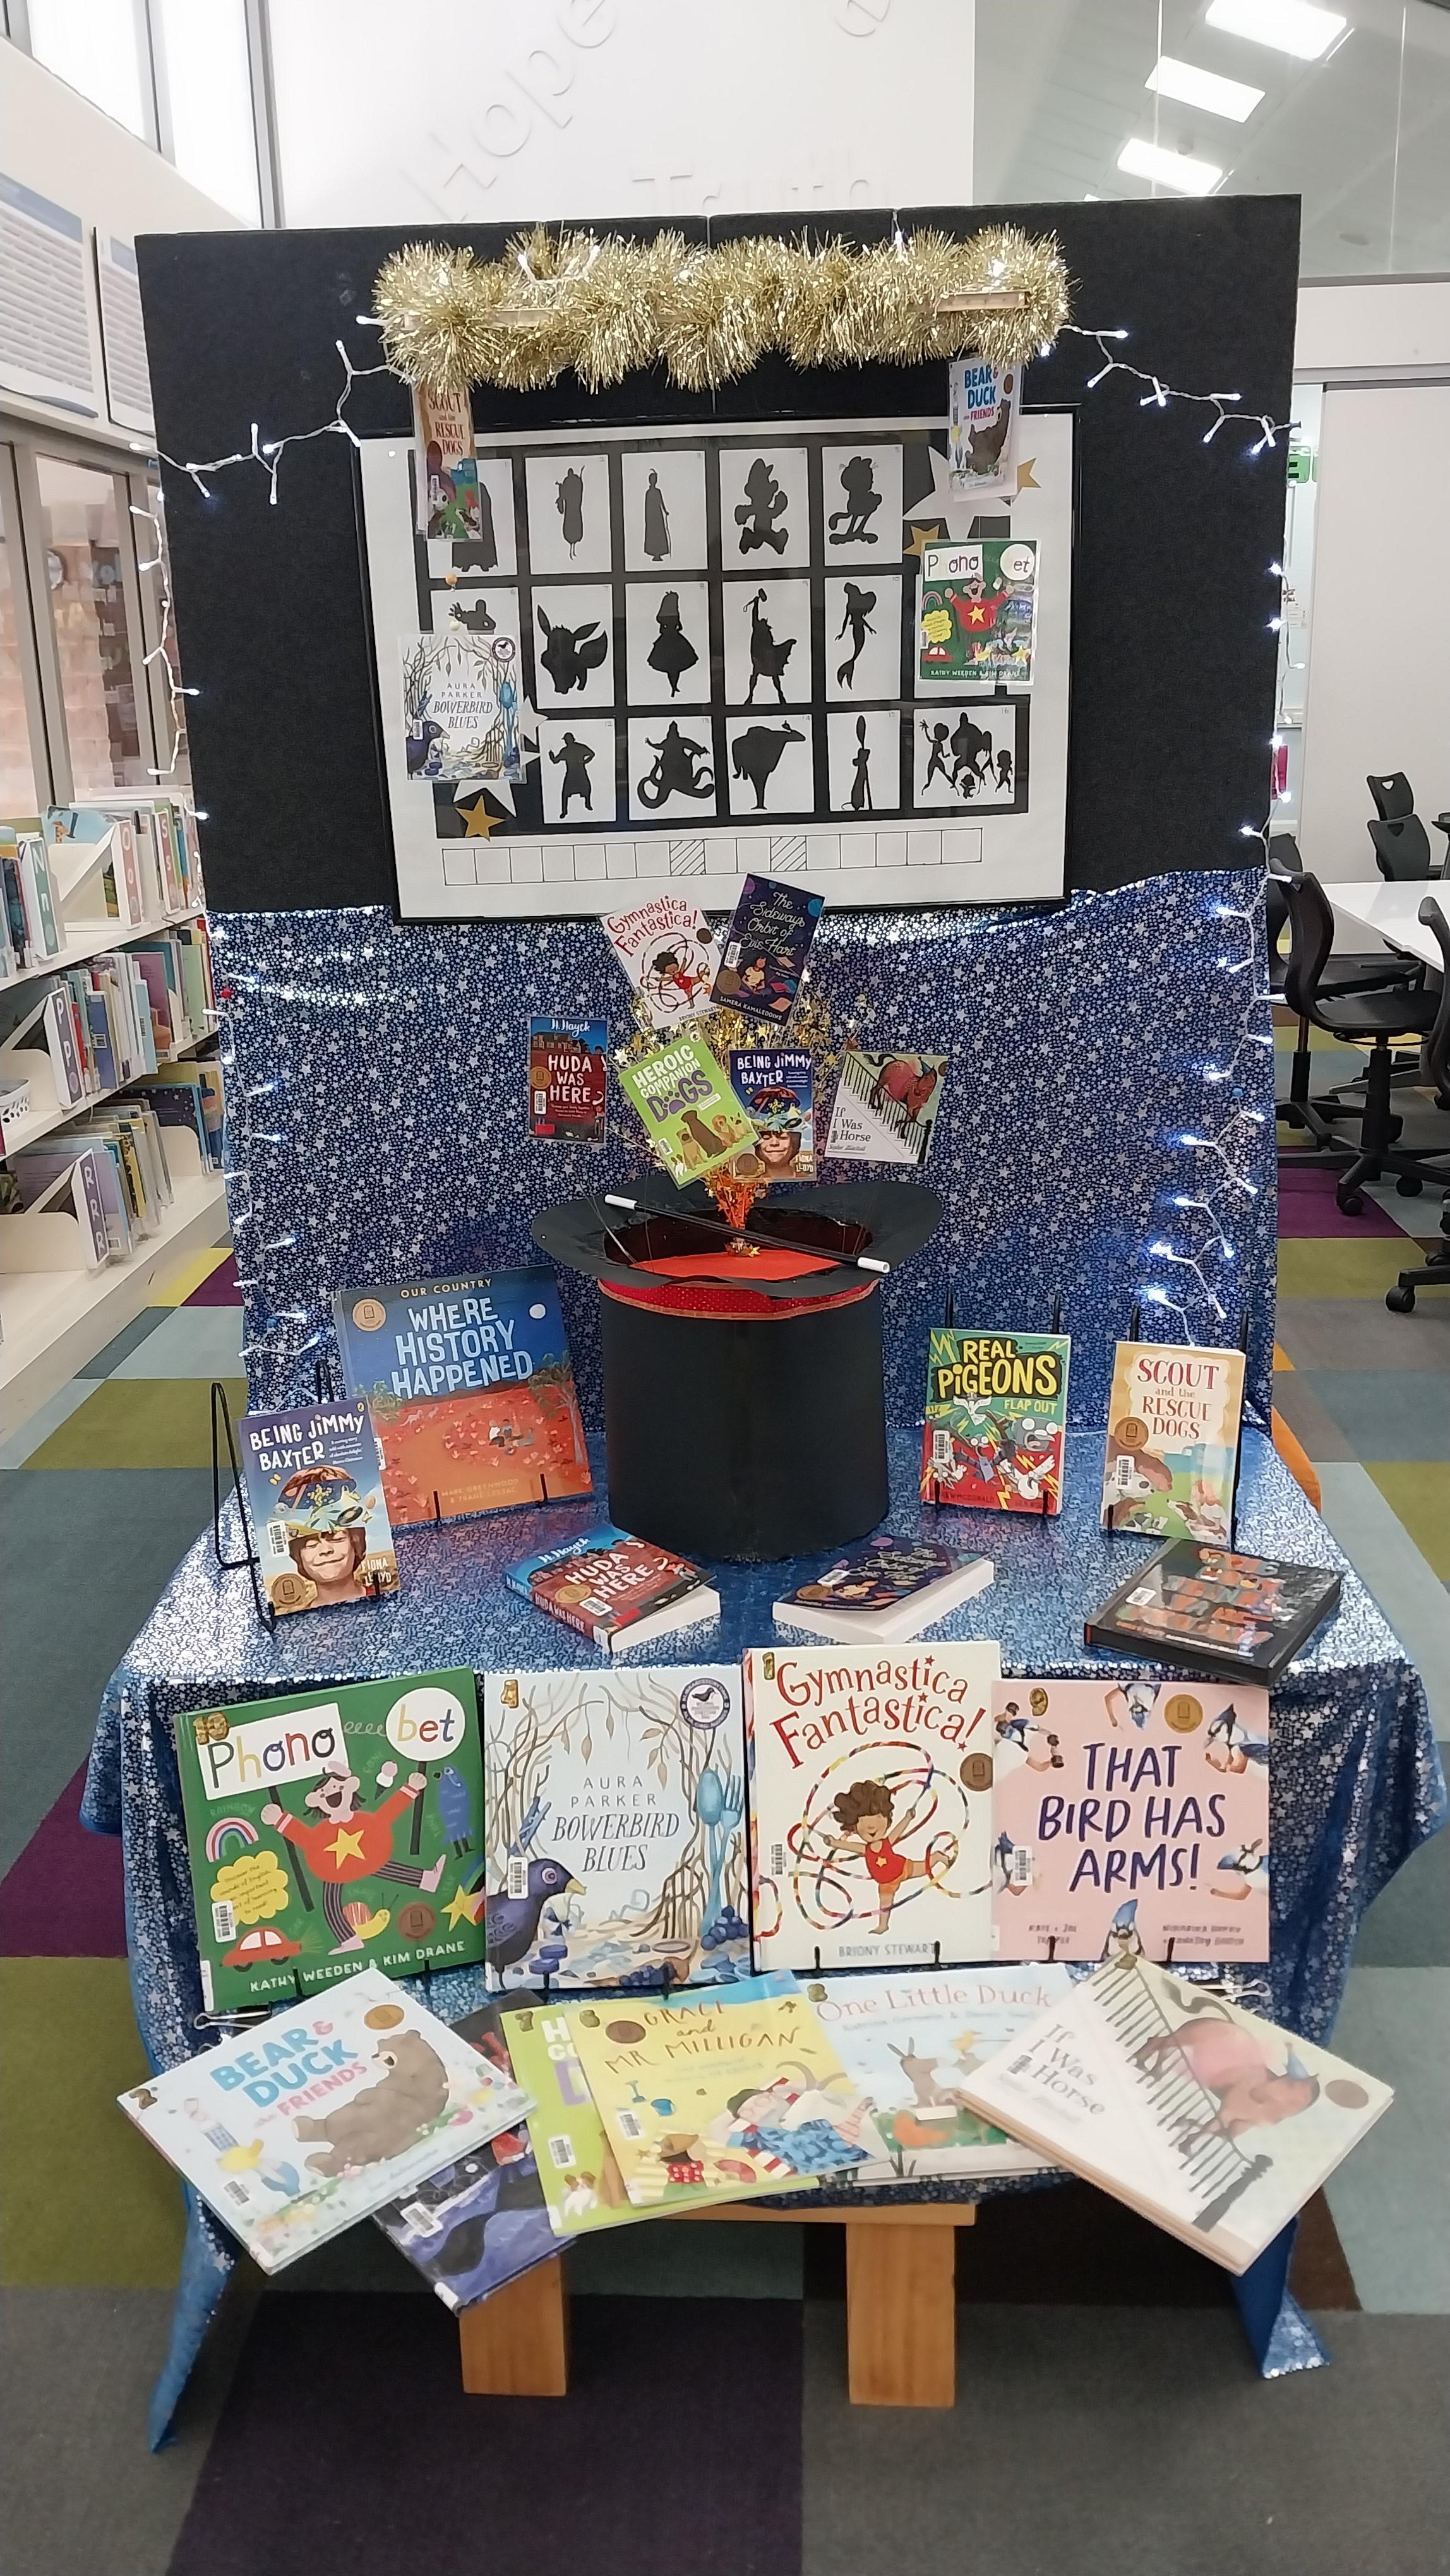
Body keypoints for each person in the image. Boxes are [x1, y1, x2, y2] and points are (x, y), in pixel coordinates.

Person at [825, 1778, 937, 1935]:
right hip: (885, 1882)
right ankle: (883, 1926)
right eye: (863, 1820)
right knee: (885, 1903)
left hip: (903, 1868)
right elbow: (848, 1846)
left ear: (886, 1819)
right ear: (855, 1826)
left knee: (925, 1868)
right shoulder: (865, 1849)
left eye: (878, 1818)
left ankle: (938, 1857)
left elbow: (898, 1830)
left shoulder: (886, 1842)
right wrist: (833, 1842)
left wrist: (908, 1818)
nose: (871, 1826)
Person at [287, 1524, 370, 1606]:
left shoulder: (378, 1596)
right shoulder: (300, 1614)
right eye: (311, 1545)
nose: (325, 1550)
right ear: (299, 1557)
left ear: (356, 1546)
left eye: (338, 1539)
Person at [642, 468, 671, 561]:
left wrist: (665, 511)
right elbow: (646, 506)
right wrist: (647, 519)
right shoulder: (649, 493)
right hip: (651, 516)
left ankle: (659, 553)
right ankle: (654, 553)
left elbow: (661, 503)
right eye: (653, 479)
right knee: (653, 534)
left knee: (659, 533)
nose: (654, 481)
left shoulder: (658, 491)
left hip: (658, 516)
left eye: (655, 479)